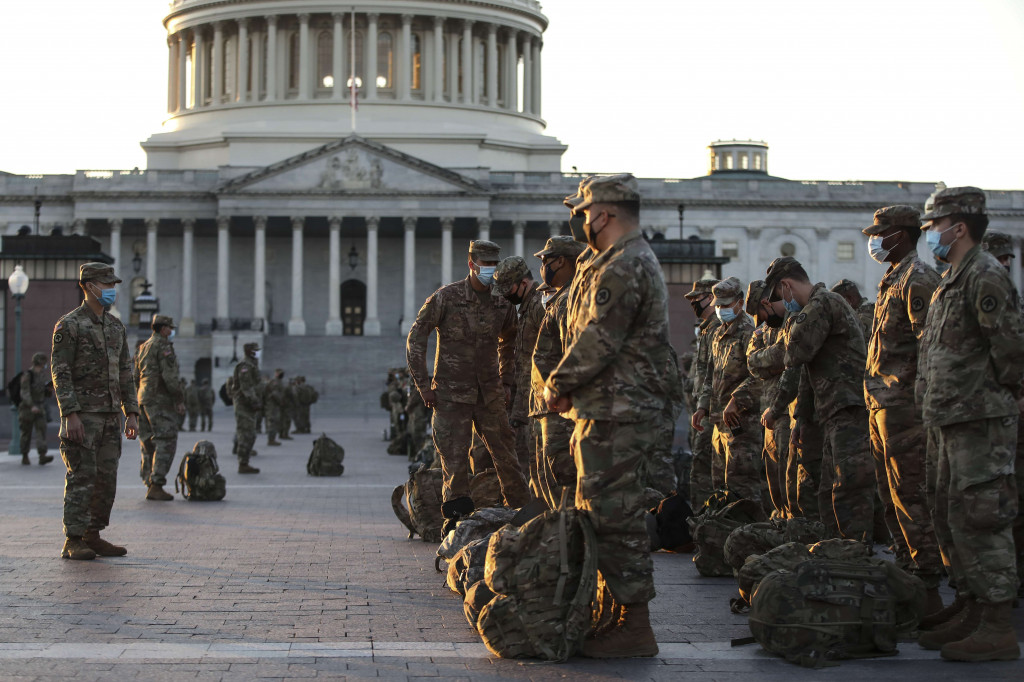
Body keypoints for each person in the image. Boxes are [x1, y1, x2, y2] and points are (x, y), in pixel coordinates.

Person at [545, 174, 670, 658]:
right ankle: (613, 615)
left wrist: (558, 383)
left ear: (603, 214)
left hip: (620, 411)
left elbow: (599, 337)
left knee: (615, 517)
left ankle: (635, 625)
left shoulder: (625, 264)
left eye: (582, 213)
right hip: (608, 408)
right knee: (601, 515)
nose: (577, 221)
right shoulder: (616, 260)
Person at [915, 187, 1022, 661]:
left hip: (979, 420)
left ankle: (997, 625)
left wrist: (998, 398)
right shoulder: (952, 278)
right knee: (953, 517)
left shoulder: (985, 274)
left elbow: (1011, 350)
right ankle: (973, 608)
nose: (930, 234)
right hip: (950, 420)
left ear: (958, 228)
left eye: (934, 226)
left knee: (983, 518)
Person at [406, 239, 531, 532]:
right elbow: (416, 338)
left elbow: (510, 340)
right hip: (451, 394)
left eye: (494, 264)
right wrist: (423, 385)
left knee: (506, 455)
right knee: (454, 461)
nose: (490, 269)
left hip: (490, 393)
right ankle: (456, 522)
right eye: (485, 264)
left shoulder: (501, 301)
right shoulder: (445, 298)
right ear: (471, 264)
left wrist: (507, 380)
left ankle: (522, 515)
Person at [861, 205, 943, 615]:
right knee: (890, 495)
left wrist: (922, 403)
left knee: (911, 497)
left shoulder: (918, 278)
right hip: (882, 407)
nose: (875, 241)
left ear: (903, 234)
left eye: (881, 233)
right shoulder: (892, 279)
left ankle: (927, 590)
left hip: (905, 408)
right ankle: (908, 575)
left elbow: (931, 346)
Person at [763, 256, 874, 542]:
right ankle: (835, 549)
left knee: (848, 487)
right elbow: (807, 372)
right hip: (832, 409)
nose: (781, 303)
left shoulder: (820, 305)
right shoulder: (819, 305)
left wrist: (758, 358)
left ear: (786, 286)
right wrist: (801, 418)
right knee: (828, 488)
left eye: (778, 295)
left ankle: (853, 551)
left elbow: (793, 355)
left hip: (847, 407)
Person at [51, 262, 139, 560]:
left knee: (106, 479)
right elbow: (60, 372)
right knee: (82, 476)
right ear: (89, 286)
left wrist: (131, 412)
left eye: (113, 284)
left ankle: (93, 534)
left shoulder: (115, 326)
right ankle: (73, 539)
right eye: (106, 284)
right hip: (83, 417)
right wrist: (70, 414)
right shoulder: (70, 325)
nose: (112, 290)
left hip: (111, 416)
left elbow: (125, 372)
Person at [693, 277, 766, 508]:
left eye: (725, 305)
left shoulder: (749, 333)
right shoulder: (718, 333)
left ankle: (746, 529)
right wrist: (703, 406)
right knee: (720, 488)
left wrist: (736, 400)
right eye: (718, 305)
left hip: (742, 423)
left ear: (739, 303)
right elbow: (711, 374)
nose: (720, 310)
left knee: (741, 488)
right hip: (718, 422)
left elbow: (759, 375)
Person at [528, 236, 586, 508]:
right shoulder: (563, 298)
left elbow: (571, 356)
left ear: (561, 261)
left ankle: (571, 531)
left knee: (562, 482)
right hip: (550, 408)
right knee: (551, 482)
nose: (542, 268)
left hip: (560, 412)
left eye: (545, 260)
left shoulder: (568, 301)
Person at [981, 231, 1024, 599]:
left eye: (1009, 258)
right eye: (1001, 257)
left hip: (1004, 408)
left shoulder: (1003, 293)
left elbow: (1010, 350)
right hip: (990, 407)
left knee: (1006, 498)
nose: (1006, 264)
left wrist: (1014, 393)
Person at [492, 255, 545, 483]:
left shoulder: (540, 305)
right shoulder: (526, 308)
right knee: (529, 469)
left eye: (508, 290)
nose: (506, 296)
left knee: (540, 471)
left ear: (523, 283)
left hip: (542, 403)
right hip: (528, 403)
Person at [743, 280, 790, 515]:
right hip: (770, 412)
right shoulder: (765, 330)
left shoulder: (791, 321)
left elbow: (785, 354)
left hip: (788, 412)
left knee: (790, 480)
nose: (760, 321)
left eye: (760, 314)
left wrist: (766, 360)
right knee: (774, 483)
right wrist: (768, 362)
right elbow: (751, 362)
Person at [136, 314, 186, 500]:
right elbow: (170, 376)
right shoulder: (163, 346)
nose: (171, 331)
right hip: (160, 400)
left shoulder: (144, 346)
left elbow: (135, 375)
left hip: (143, 398)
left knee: (147, 441)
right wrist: (179, 399)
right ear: (163, 329)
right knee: (166, 439)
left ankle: (148, 480)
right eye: (170, 328)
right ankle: (157, 483)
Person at [684, 277, 721, 509]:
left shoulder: (718, 327)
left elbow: (714, 372)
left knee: (704, 468)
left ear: (710, 298)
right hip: (702, 407)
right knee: (701, 466)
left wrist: (704, 406)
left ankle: (705, 516)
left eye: (697, 298)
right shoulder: (706, 329)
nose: (693, 303)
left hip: (713, 409)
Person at [18, 352, 54, 466]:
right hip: (27, 408)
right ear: (40, 362)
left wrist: (49, 390)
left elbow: (44, 393)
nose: (45, 364)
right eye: (44, 362)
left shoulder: (42, 375)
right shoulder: (28, 375)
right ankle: (24, 455)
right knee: (26, 433)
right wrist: (31, 406)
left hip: (40, 407)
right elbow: (24, 392)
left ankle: (42, 455)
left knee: (41, 431)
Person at [231, 343, 262, 474]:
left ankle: (245, 461)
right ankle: (243, 463)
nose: (258, 352)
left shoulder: (252, 364)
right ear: (249, 351)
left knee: (250, 434)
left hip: (248, 404)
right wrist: (254, 401)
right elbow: (246, 387)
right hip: (244, 404)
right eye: (256, 350)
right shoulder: (245, 365)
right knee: (246, 434)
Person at [264, 369, 284, 446]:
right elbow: (274, 393)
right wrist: (280, 401)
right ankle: (271, 440)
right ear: (276, 373)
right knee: (272, 422)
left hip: (275, 405)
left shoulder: (278, 381)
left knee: (275, 422)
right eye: (279, 373)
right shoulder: (274, 382)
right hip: (272, 405)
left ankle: (272, 439)